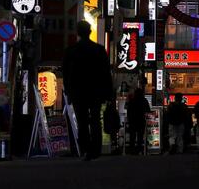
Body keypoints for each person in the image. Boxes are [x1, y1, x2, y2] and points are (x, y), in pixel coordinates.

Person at [63, 20, 114, 161]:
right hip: (96, 91)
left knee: (82, 120)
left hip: (78, 91)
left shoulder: (71, 51)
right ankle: (95, 149)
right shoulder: (99, 50)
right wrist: (108, 93)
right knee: (95, 119)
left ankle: (85, 148)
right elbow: (106, 73)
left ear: (78, 33)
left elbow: (66, 73)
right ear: (90, 32)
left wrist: (68, 91)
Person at [125, 88, 151, 155]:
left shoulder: (132, 100)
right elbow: (148, 110)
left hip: (132, 121)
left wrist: (129, 119)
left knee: (132, 136)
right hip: (141, 120)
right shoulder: (144, 100)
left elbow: (128, 110)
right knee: (140, 136)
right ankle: (139, 150)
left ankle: (132, 150)